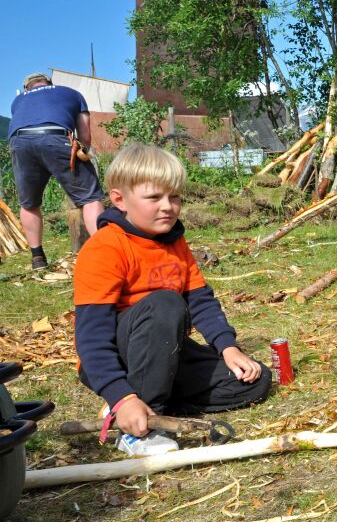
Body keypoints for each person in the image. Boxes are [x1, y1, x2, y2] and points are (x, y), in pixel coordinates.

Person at [73, 144, 271, 456]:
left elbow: (200, 300)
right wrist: (119, 392)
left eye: (174, 197)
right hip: (120, 357)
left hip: (165, 354)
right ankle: (139, 425)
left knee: (255, 380)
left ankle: (146, 402)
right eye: (154, 198)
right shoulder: (104, 248)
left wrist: (228, 348)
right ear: (119, 200)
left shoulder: (174, 241)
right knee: (165, 302)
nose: (168, 206)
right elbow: (91, 337)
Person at [7, 72, 105, 269]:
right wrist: (83, 153)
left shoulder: (18, 100)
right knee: (90, 198)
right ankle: (105, 252)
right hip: (57, 137)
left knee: (29, 203)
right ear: (50, 83)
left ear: (27, 88)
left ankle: (37, 259)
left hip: (20, 143)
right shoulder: (71, 93)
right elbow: (85, 136)